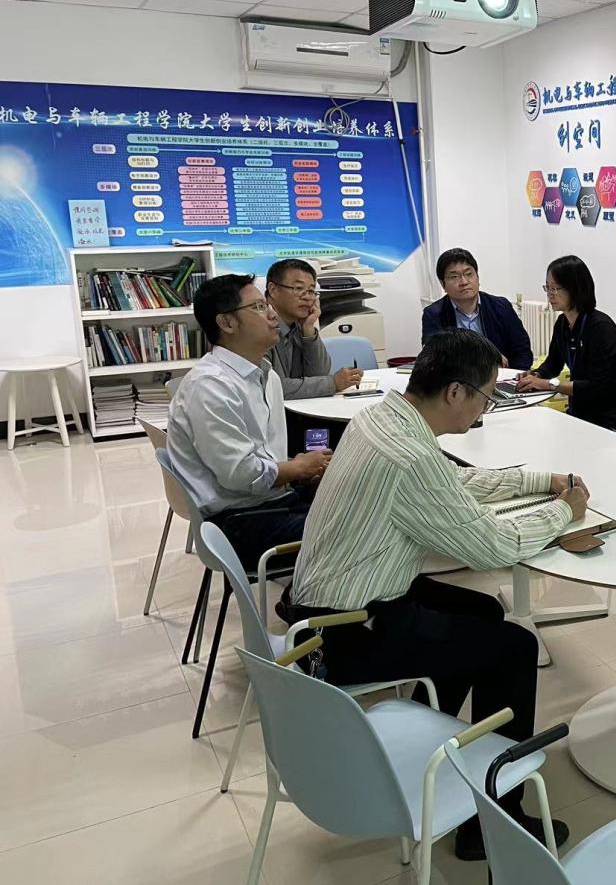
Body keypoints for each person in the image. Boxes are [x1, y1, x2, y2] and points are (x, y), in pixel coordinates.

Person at [286, 329, 588, 860]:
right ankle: (494, 824)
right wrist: (565, 511)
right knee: (514, 647)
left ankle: (438, 739)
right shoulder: (408, 455)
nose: (486, 408)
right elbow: (493, 547)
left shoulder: (383, 418)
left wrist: (544, 481)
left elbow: (450, 487)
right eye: (486, 396)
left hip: (332, 605)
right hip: (346, 632)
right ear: (454, 392)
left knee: (483, 609)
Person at [167, 274, 332, 573]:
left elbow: (262, 456)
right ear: (227, 323)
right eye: (257, 307)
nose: (272, 315)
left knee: (362, 498)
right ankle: (316, 599)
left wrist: (301, 470)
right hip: (237, 522)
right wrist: (297, 468)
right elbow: (241, 475)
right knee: (360, 529)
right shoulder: (211, 386)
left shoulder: (266, 375)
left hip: (269, 500)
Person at [515, 255, 616, 436]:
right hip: (580, 413)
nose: (550, 294)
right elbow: (553, 364)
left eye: (556, 288)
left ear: (576, 288)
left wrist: (548, 384)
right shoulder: (562, 323)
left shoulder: (601, 328)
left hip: (609, 418)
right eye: (547, 287)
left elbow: (598, 387)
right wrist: (535, 375)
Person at [264, 258, 363, 399]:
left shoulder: (297, 323)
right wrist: (332, 383)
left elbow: (319, 373)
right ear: (273, 290)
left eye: (311, 291)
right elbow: (271, 387)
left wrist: (309, 330)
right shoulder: (257, 327)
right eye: (299, 288)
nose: (307, 297)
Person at [421, 248, 534, 370]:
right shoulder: (433, 314)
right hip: (457, 378)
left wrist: (513, 376)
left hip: (502, 376)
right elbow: (434, 356)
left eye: (469, 274)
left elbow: (522, 350)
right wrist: (487, 355)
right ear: (443, 284)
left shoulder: (501, 307)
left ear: (478, 277)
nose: (464, 282)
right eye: (454, 277)